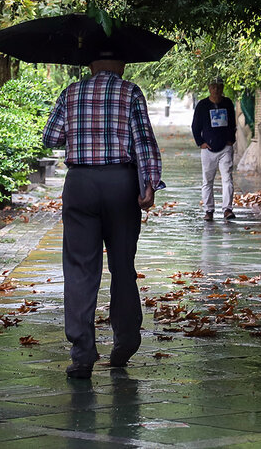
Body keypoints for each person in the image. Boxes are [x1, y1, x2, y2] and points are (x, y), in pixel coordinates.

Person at [42, 48, 161, 380]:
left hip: (80, 184)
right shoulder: (130, 91)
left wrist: (79, 128)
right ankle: (126, 340)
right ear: (121, 63)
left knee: (80, 268)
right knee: (122, 264)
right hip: (120, 184)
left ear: (90, 64)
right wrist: (149, 183)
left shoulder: (71, 92)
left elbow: (50, 137)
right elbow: (144, 142)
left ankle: (82, 353)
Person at [192, 77, 236, 220]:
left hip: (225, 148)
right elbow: (195, 126)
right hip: (208, 149)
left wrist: (231, 140)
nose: (216, 90)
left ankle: (227, 209)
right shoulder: (202, 105)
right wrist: (201, 143)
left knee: (227, 179)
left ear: (222, 88)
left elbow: (232, 123)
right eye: (213, 87)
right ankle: (209, 210)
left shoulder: (228, 103)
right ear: (209, 88)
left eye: (218, 87)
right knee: (207, 180)